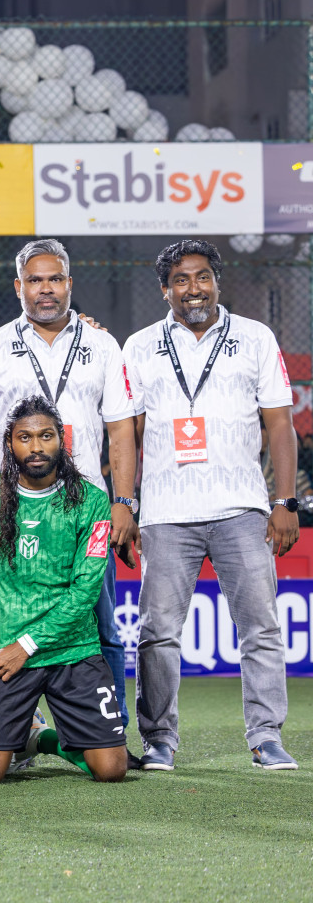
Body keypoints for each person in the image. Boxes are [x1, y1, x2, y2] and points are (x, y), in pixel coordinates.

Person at [122, 240, 300, 770]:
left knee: (261, 627)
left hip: (241, 506)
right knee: (157, 634)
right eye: (181, 279)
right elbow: (127, 433)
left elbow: (279, 423)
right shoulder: (140, 345)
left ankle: (266, 736)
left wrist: (284, 499)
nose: (192, 288)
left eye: (201, 277)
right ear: (165, 289)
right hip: (165, 512)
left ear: (216, 283)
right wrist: (125, 503)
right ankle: (158, 740)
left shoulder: (254, 337)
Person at [0, 239, 137, 741]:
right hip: (19, 507)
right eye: (35, 280)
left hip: (87, 510)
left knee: (103, 625)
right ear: (19, 287)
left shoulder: (102, 344)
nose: (45, 289)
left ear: (69, 285)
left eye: (54, 279)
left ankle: (112, 727)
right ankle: (24, 729)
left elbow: (121, 430)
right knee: (12, 615)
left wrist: (124, 501)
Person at [0, 396, 128, 784]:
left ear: (62, 441)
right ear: (9, 444)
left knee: (111, 771)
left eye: (46, 436)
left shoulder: (90, 500)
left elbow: (85, 593)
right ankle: (33, 736)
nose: (36, 447)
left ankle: (44, 738)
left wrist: (27, 646)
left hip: (73, 650)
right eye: (25, 437)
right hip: (7, 651)